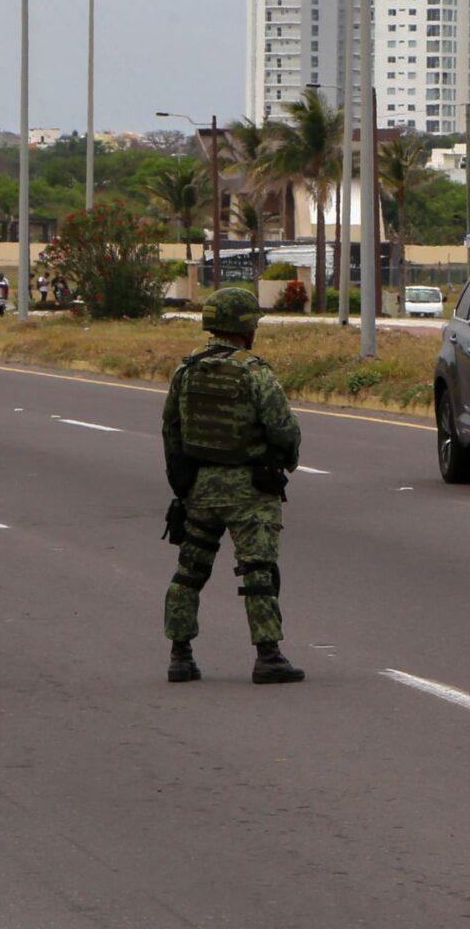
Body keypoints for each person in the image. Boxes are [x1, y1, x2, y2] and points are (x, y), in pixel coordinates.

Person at [162, 287, 305, 686]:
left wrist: (183, 484)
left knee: (189, 571)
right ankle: (268, 656)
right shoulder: (255, 372)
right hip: (250, 490)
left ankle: (180, 656)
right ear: (245, 326)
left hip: (201, 488)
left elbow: (171, 430)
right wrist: (285, 461)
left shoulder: (187, 370)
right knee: (259, 571)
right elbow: (284, 429)